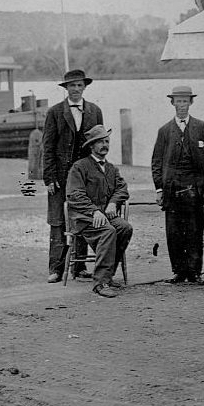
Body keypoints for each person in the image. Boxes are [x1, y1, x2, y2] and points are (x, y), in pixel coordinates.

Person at [151, 85, 204, 284]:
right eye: (178, 101)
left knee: (194, 229)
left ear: (191, 102)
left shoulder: (200, 126)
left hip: (194, 186)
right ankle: (179, 271)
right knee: (174, 231)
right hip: (172, 187)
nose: (182, 105)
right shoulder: (164, 130)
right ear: (172, 103)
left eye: (185, 101)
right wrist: (159, 188)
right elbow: (156, 161)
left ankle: (194, 271)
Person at [42, 69, 103, 283]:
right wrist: (49, 178)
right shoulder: (55, 112)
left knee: (83, 215)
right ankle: (56, 268)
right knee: (58, 220)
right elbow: (48, 147)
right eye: (72, 85)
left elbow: (100, 144)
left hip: (85, 175)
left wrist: (99, 172)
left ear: (84, 87)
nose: (76, 89)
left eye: (79, 85)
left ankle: (79, 266)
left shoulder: (95, 111)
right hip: (60, 176)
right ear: (66, 88)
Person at [65, 125, 133, 299]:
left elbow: (122, 188)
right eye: (100, 142)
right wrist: (94, 211)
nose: (105, 145)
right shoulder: (79, 167)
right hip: (84, 217)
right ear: (91, 146)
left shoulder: (111, 168)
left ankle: (107, 275)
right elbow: (75, 195)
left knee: (125, 228)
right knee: (108, 231)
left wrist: (113, 203)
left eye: (107, 141)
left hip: (105, 215)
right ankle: (100, 283)